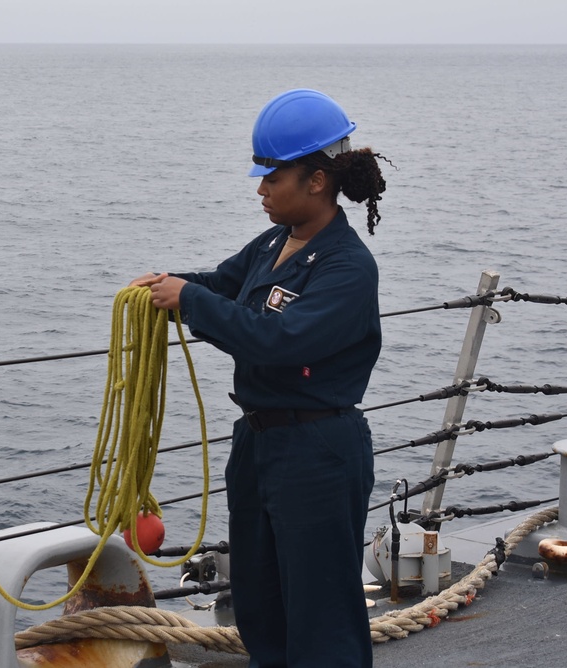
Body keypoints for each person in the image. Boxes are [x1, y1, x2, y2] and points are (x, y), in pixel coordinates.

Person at [131, 88, 387, 667]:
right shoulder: (275, 241)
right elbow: (223, 283)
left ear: (316, 181)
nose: (261, 190)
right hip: (259, 442)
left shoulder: (347, 266)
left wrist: (189, 299)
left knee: (321, 611)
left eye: (272, 178)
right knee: (260, 600)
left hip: (317, 449)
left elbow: (280, 341)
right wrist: (166, 286)